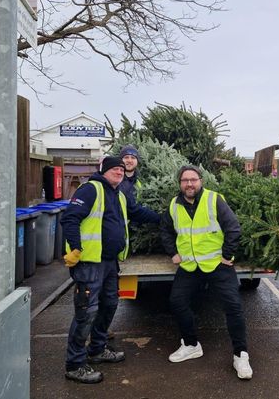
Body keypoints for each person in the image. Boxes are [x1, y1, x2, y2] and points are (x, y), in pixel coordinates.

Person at [61, 156, 160, 384]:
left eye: (121, 169)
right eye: (114, 168)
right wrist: (75, 247)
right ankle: (74, 364)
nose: (119, 171)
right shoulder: (90, 190)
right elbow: (70, 219)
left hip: (109, 263)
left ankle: (97, 349)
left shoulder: (120, 195)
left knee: (109, 305)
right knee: (86, 312)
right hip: (89, 264)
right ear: (103, 170)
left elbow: (138, 213)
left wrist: (164, 218)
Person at [160, 165, 253, 380]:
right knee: (177, 302)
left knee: (233, 306)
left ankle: (241, 355)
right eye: (185, 180)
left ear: (200, 181)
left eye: (193, 179)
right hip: (190, 266)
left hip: (217, 265)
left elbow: (233, 228)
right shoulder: (174, 205)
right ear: (180, 183)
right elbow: (164, 229)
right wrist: (173, 252)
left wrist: (227, 255)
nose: (189, 184)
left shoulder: (214, 200)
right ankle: (191, 345)